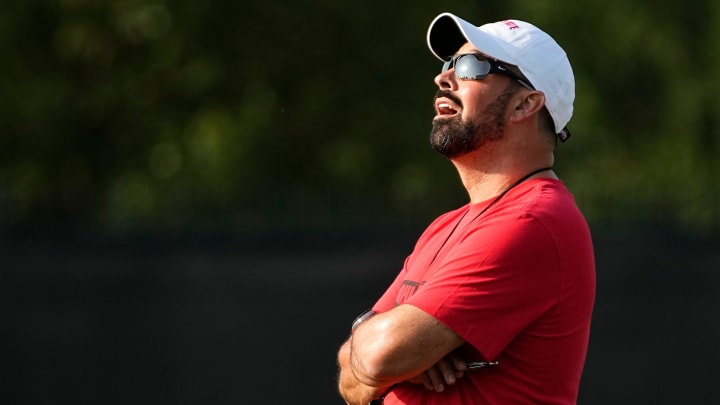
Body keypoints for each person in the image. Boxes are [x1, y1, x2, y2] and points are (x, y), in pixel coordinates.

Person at [336, 12, 596, 405]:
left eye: (471, 67)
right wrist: (376, 347)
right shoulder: (446, 225)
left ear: (525, 104)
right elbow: (351, 380)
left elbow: (376, 357)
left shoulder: (533, 220)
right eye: (447, 65)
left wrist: (383, 350)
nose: (443, 79)